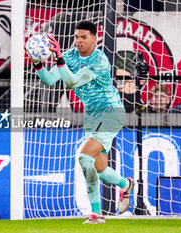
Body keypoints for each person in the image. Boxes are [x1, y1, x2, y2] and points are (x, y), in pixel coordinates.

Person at [25, 21, 134, 224]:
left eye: (83, 37)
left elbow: (72, 82)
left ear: (94, 38)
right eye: (76, 37)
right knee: (100, 170)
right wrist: (37, 63)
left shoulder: (99, 60)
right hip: (92, 116)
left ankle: (95, 214)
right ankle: (125, 184)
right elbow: (49, 80)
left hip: (110, 112)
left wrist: (58, 58)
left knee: (85, 158)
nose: (78, 41)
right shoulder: (69, 56)